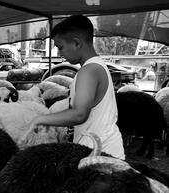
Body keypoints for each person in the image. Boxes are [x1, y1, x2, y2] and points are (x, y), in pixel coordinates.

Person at [26, 15, 125, 160]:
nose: (60, 53)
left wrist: (40, 119)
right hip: (101, 148)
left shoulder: (88, 71)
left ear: (77, 43)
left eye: (60, 47)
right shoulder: (97, 66)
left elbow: (79, 114)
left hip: (100, 152)